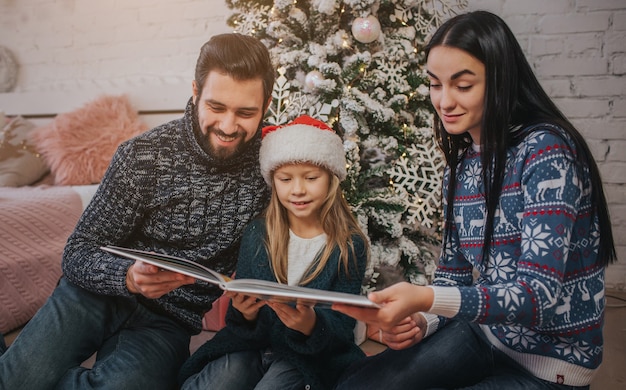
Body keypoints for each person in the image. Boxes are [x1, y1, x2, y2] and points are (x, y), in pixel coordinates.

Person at [333, 10, 616, 390]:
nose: (444, 101)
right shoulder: (461, 167)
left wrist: (424, 297)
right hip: (487, 335)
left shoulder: (547, 152)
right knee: (355, 384)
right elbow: (453, 273)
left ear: (500, 82)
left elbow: (537, 295)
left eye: (462, 86)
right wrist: (425, 320)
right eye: (435, 84)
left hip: (554, 362)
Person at [0, 33, 275, 389]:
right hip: (93, 296)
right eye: (216, 107)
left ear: (266, 104)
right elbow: (77, 252)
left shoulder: (270, 168)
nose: (227, 126)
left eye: (246, 113)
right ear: (195, 91)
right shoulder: (142, 155)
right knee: (17, 382)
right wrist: (128, 276)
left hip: (168, 321)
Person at [178, 115, 369, 390]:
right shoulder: (258, 234)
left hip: (306, 357)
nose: (298, 190)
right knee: (214, 383)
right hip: (252, 347)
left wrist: (311, 325)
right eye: (286, 179)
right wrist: (245, 313)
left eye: (311, 178)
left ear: (331, 178)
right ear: (273, 180)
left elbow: (342, 327)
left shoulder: (348, 245)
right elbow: (238, 318)